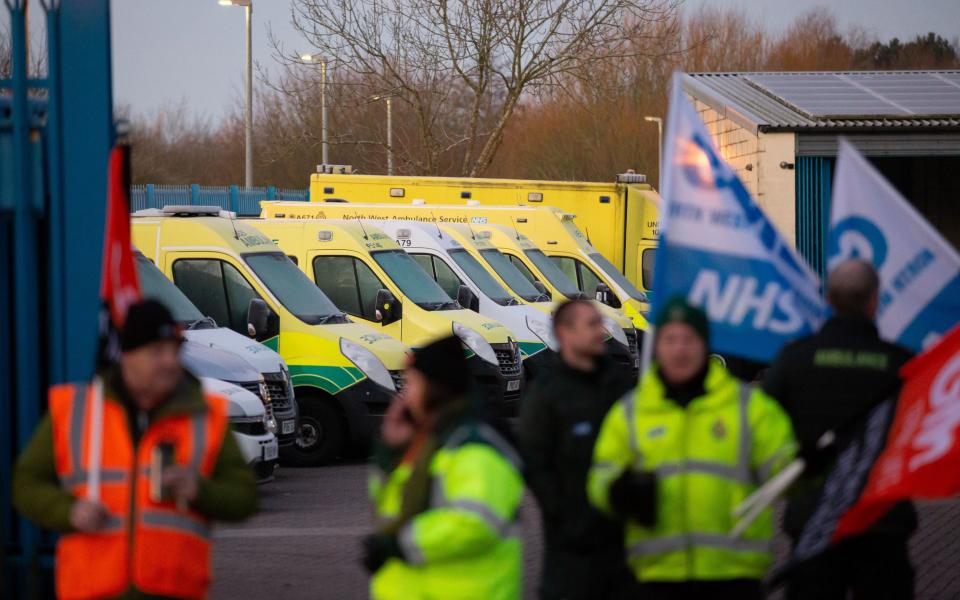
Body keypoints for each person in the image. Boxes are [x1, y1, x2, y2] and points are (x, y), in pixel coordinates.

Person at [13, 300, 258, 600]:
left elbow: (245, 497)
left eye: (174, 350)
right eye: (157, 351)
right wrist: (69, 511)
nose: (170, 362)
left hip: (173, 590)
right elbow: (25, 484)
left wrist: (200, 491)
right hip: (92, 590)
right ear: (127, 356)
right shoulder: (77, 410)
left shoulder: (204, 415)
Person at [587, 297, 796, 600]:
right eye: (670, 339)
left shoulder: (749, 407)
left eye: (689, 339)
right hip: (657, 576)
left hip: (734, 575)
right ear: (657, 347)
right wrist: (618, 491)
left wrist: (809, 462)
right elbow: (599, 481)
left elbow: (786, 469)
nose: (679, 349)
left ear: (705, 345)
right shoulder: (631, 412)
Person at [763, 259, 917, 600]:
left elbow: (760, 428)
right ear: (874, 301)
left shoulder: (794, 359)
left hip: (814, 522)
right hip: (882, 523)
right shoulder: (904, 365)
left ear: (829, 300)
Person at [362, 335, 524, 600]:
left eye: (412, 384)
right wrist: (389, 452)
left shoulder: (475, 446)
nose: (405, 396)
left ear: (435, 387)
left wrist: (400, 545)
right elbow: (386, 507)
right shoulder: (427, 440)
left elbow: (475, 524)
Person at [518, 299, 637, 600]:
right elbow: (534, 462)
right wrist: (564, 514)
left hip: (623, 547)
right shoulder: (547, 394)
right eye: (592, 324)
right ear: (565, 333)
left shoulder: (621, 386)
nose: (601, 331)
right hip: (571, 554)